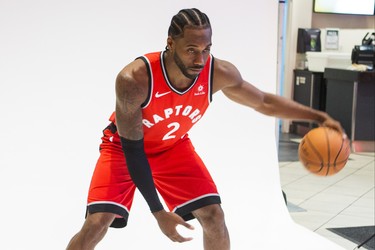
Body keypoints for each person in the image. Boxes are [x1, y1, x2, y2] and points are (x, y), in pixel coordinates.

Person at [67, 8, 344, 250]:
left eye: (206, 49)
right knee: (97, 223)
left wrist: (317, 116)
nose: (200, 60)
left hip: (171, 146)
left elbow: (264, 102)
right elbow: (133, 149)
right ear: (170, 43)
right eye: (191, 50)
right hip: (124, 148)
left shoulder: (217, 72)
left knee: (214, 216)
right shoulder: (135, 79)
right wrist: (158, 211)